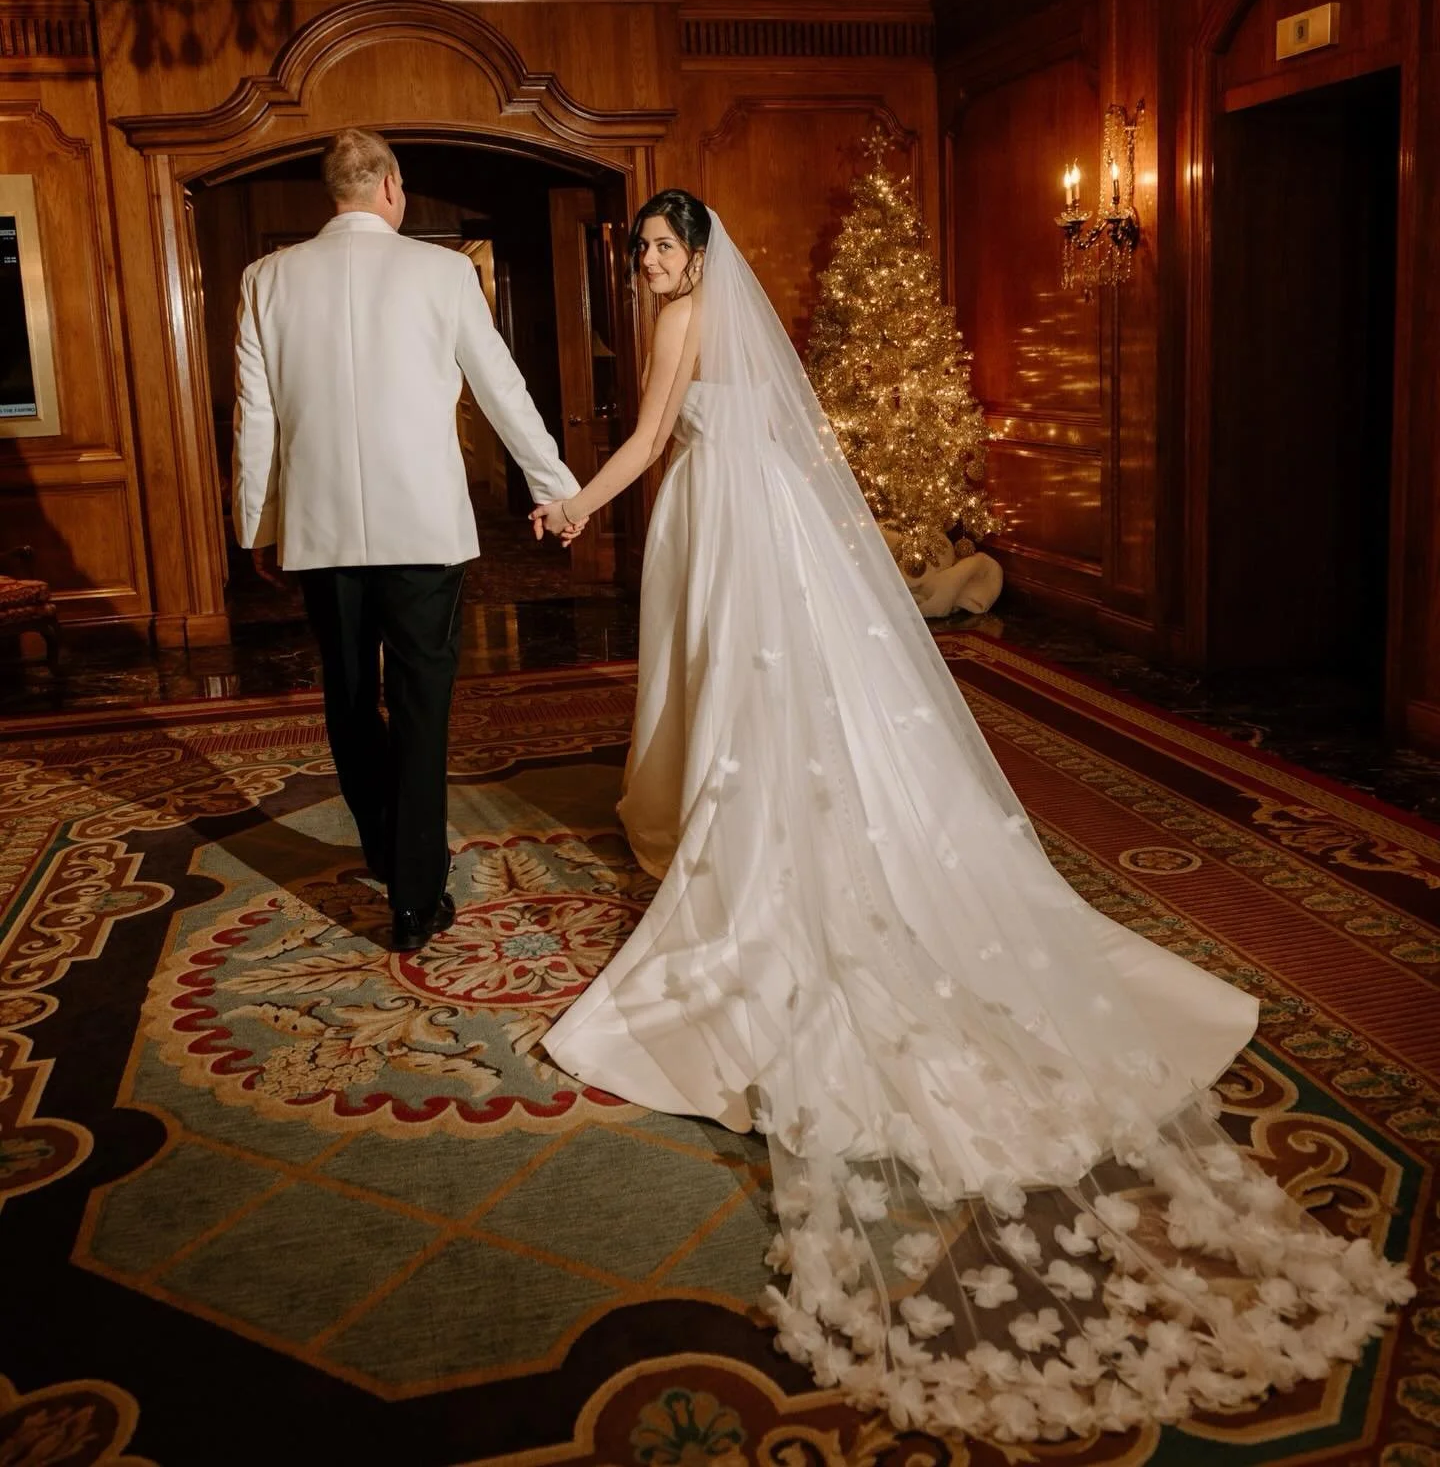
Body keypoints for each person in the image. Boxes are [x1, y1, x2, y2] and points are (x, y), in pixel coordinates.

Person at [533, 190, 1412, 1445]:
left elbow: (658, 432)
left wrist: (574, 505)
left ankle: (725, 817)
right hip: (763, 511)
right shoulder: (722, 320)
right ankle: (720, 795)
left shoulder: (681, 328)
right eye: (649, 254)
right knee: (763, 680)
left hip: (722, 516)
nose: (658, 268)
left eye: (669, 252)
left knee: (722, 674)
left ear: (699, 257)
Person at [232, 128, 580, 953]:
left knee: (350, 699)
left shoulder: (267, 279)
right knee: (423, 709)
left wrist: (258, 526)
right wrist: (556, 485)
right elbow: (502, 386)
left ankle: (387, 855)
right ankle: (417, 898)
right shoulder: (444, 271)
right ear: (392, 186)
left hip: (318, 531)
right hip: (424, 528)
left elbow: (257, 419)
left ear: (334, 193)